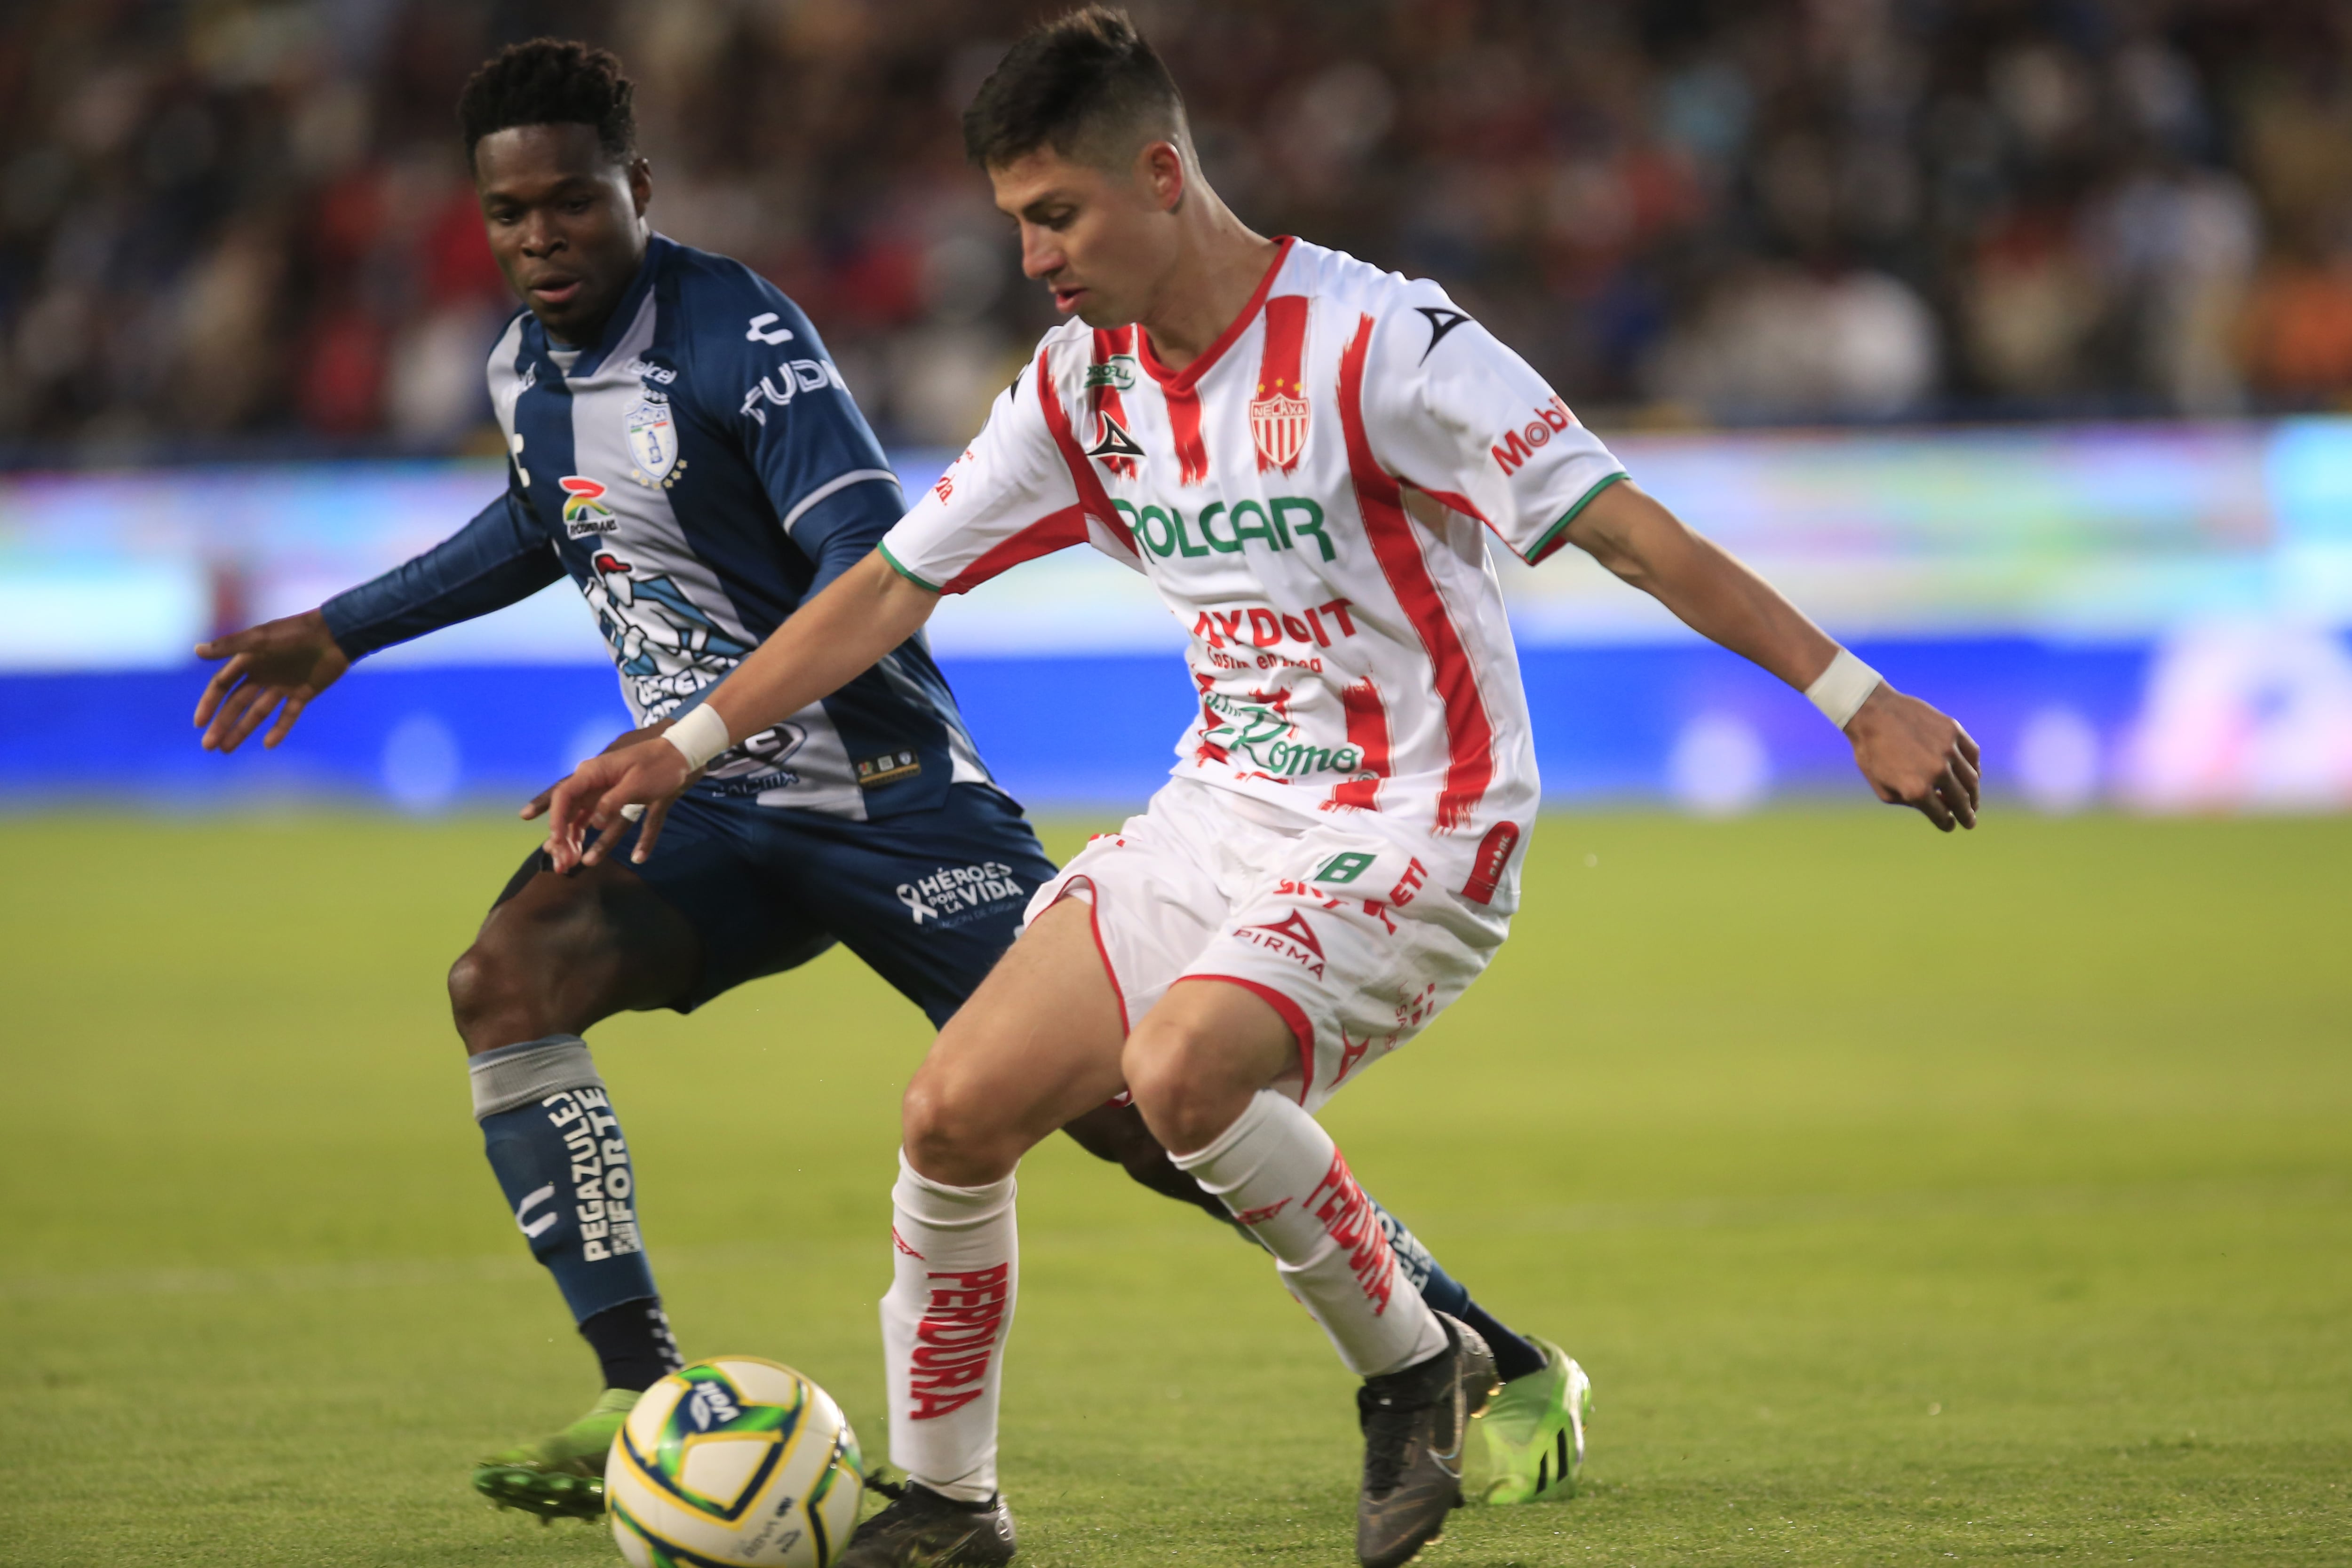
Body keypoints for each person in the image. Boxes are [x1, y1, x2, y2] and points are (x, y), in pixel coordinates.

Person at [536, 9, 1982, 1567]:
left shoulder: (1389, 346)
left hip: (1423, 820)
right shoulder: (1083, 387)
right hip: (1223, 811)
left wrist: (1856, 697)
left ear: (1163, 174)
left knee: (1183, 1074)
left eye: (1057, 216)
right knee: (951, 1114)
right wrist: (683, 742)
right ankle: (953, 1505)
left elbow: (1628, 528)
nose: (1033, 260)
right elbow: (891, 584)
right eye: (1016, 222)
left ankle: (1416, 1366)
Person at [190, 37, 1581, 1528]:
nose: (542, 238)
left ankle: (1486, 1353)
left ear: (635, 191)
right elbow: (543, 520)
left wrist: (707, 718)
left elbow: (876, 558)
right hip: (707, 812)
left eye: (572, 205)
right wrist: (346, 626)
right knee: (504, 983)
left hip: (889, 797)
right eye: (511, 213)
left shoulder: (743, 340)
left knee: (1144, 1112)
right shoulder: (526, 368)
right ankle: (636, 1382)